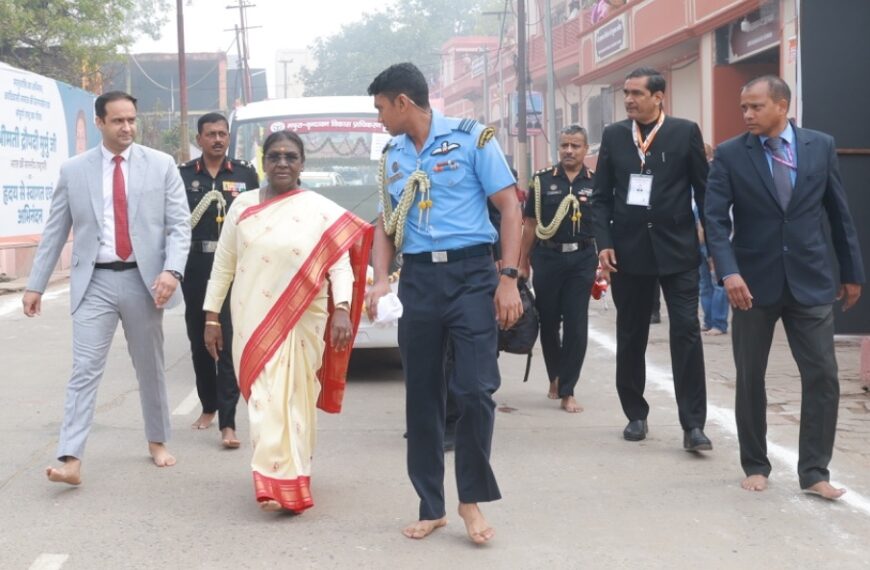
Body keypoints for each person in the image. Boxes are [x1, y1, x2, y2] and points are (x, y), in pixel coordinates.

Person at [364, 62, 522, 544]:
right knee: (423, 397)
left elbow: (511, 206)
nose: (379, 120)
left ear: (403, 103)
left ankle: (470, 500)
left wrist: (508, 278)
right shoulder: (392, 155)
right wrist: (378, 281)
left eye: (380, 109)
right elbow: (385, 222)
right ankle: (431, 506)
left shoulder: (472, 139)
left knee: (475, 390)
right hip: (419, 282)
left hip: (472, 276)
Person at [705, 75, 865, 499]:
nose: (747, 115)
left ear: (782, 106)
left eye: (755, 107)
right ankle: (755, 463)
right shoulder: (730, 154)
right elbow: (716, 220)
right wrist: (729, 272)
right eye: (743, 107)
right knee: (750, 377)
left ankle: (815, 471)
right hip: (750, 285)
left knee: (823, 376)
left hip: (811, 280)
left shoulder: (820, 145)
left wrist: (851, 272)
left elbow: (838, 213)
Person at [22, 91, 191, 485]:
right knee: (83, 369)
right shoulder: (74, 170)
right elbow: (55, 231)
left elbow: (180, 225)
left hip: (143, 279)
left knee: (150, 366)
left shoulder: (161, 165)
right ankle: (71, 458)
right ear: (99, 123)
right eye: (117, 121)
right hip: (93, 280)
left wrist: (172, 271)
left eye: (131, 119)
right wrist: (35, 285)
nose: (127, 127)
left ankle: (158, 440)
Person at [202, 130, 372, 513]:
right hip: (252, 318)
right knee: (263, 399)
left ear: (301, 164)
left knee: (295, 400)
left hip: (303, 319)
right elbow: (224, 264)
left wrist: (342, 309)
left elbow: (339, 262)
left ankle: (291, 476)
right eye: (275, 156)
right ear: (264, 161)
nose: (282, 163)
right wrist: (211, 317)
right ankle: (273, 476)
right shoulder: (242, 206)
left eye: (290, 157)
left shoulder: (318, 209)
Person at [591, 67, 712, 451]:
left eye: (637, 93)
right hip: (629, 252)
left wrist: (714, 243)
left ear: (659, 97)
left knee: (686, 333)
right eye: (626, 93)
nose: (629, 99)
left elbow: (703, 189)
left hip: (678, 250)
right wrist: (604, 242)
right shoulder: (613, 136)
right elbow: (601, 197)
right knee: (631, 334)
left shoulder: (684, 131)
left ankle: (693, 424)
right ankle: (635, 414)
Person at [179, 113, 259, 448]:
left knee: (227, 339)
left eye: (222, 134)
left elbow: (258, 217)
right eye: (210, 134)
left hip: (234, 266)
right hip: (195, 263)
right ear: (199, 139)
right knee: (200, 339)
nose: (217, 139)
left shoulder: (244, 173)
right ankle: (208, 405)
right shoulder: (182, 175)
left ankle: (229, 422)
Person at [519, 124, 597, 413]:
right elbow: (529, 225)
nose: (569, 150)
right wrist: (522, 263)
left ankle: (568, 389)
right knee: (549, 321)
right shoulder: (541, 182)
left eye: (575, 146)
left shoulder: (596, 182)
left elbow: (602, 223)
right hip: (548, 257)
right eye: (564, 145)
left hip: (582, 259)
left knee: (577, 323)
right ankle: (554, 375)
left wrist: (605, 262)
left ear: (585, 149)